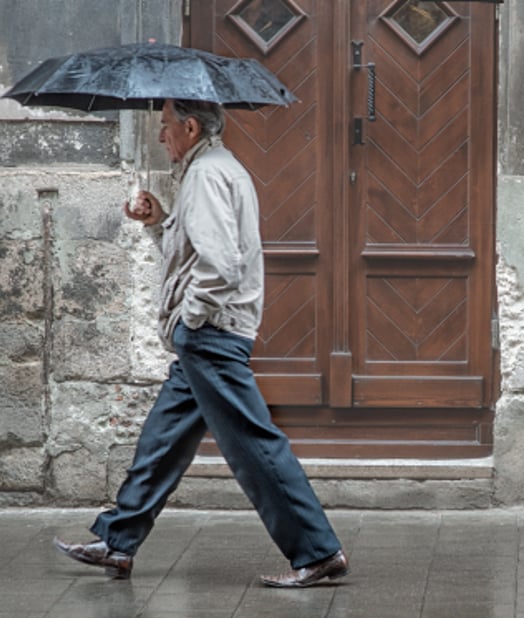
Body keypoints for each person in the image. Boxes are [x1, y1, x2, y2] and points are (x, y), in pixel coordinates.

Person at [54, 98, 349, 588]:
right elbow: (196, 251)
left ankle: (317, 552)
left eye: (165, 125)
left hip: (210, 332)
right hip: (204, 334)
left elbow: (220, 265)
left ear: (190, 127)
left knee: (253, 444)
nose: (159, 136)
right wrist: (160, 220)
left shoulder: (209, 175)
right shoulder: (208, 170)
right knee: (163, 440)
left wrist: (190, 319)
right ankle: (118, 541)